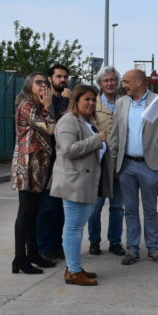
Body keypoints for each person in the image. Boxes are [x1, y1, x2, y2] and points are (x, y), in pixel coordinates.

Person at [112, 68, 158, 265]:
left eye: (126, 81)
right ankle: (132, 249)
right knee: (130, 209)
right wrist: (113, 163)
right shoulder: (121, 103)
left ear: (139, 82)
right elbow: (115, 135)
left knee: (150, 209)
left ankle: (153, 248)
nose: (123, 85)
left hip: (149, 165)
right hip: (127, 165)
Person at [49, 85, 113, 286]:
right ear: (76, 100)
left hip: (86, 182)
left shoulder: (86, 121)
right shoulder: (68, 121)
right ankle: (73, 272)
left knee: (77, 228)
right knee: (73, 228)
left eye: (94, 100)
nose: (91, 103)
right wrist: (97, 140)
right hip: (74, 182)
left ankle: (74, 266)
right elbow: (69, 150)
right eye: (87, 99)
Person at [10, 73, 58, 274]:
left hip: (39, 166)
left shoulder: (37, 107)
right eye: (38, 83)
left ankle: (33, 253)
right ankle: (19, 258)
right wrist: (48, 106)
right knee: (25, 211)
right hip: (27, 165)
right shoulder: (26, 105)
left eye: (45, 84)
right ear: (29, 85)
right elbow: (50, 127)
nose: (43, 87)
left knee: (34, 212)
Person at [86, 66, 125, 256]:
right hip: (99, 161)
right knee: (96, 206)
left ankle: (115, 242)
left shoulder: (125, 103)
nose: (110, 83)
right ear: (100, 84)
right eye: (106, 80)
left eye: (113, 80)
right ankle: (94, 241)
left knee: (117, 206)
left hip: (120, 161)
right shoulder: (93, 105)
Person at [37, 63, 71, 260]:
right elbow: (56, 126)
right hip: (47, 161)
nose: (62, 80)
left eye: (65, 76)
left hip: (63, 161)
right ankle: (43, 247)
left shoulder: (66, 99)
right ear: (50, 79)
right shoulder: (47, 101)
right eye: (58, 76)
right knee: (47, 207)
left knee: (60, 208)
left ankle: (57, 245)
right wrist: (65, 103)